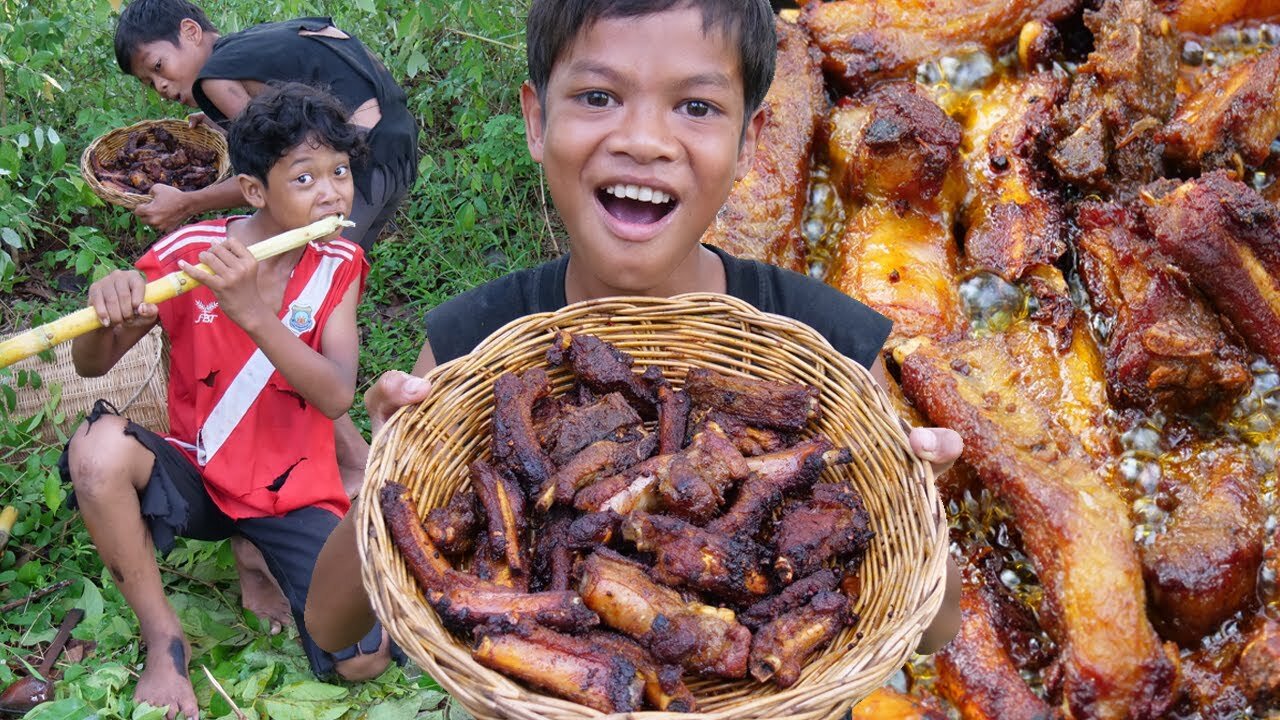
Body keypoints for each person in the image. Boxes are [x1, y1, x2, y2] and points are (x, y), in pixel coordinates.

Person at [307, 0, 963, 665]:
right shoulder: (473, 343)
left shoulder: (829, 343)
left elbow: (932, 631)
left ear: (751, 144)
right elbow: (332, 627)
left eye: (697, 107)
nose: (645, 140)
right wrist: (393, 472)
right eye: (599, 96)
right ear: (536, 120)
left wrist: (918, 495)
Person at [61, 83, 392, 720]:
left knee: (362, 659)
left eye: (340, 172)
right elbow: (91, 363)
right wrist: (111, 308)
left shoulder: (340, 262)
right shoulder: (190, 257)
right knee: (97, 451)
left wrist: (251, 313)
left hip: (288, 488)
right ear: (254, 192)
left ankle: (256, 551)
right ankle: (166, 640)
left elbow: (334, 394)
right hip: (198, 471)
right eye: (304, 177)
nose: (331, 193)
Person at [112, 0, 417, 251]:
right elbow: (289, 115)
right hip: (397, 149)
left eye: (158, 67)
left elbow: (273, 179)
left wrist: (188, 203)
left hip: (356, 166)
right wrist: (219, 121)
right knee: (338, 272)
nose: (161, 86)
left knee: (305, 272)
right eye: (150, 83)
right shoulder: (251, 44)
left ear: (190, 32)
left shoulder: (215, 77)